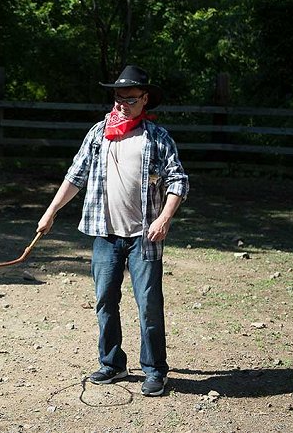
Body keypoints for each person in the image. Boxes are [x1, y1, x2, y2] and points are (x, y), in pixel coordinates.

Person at [36, 65, 189, 396]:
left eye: (130, 99)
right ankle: (113, 363)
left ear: (145, 99)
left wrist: (164, 218)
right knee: (105, 300)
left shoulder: (157, 137)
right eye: (118, 98)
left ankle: (154, 370)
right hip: (105, 235)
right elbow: (75, 175)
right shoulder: (98, 134)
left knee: (148, 303)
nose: (122, 104)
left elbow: (178, 180)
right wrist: (50, 212)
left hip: (143, 237)